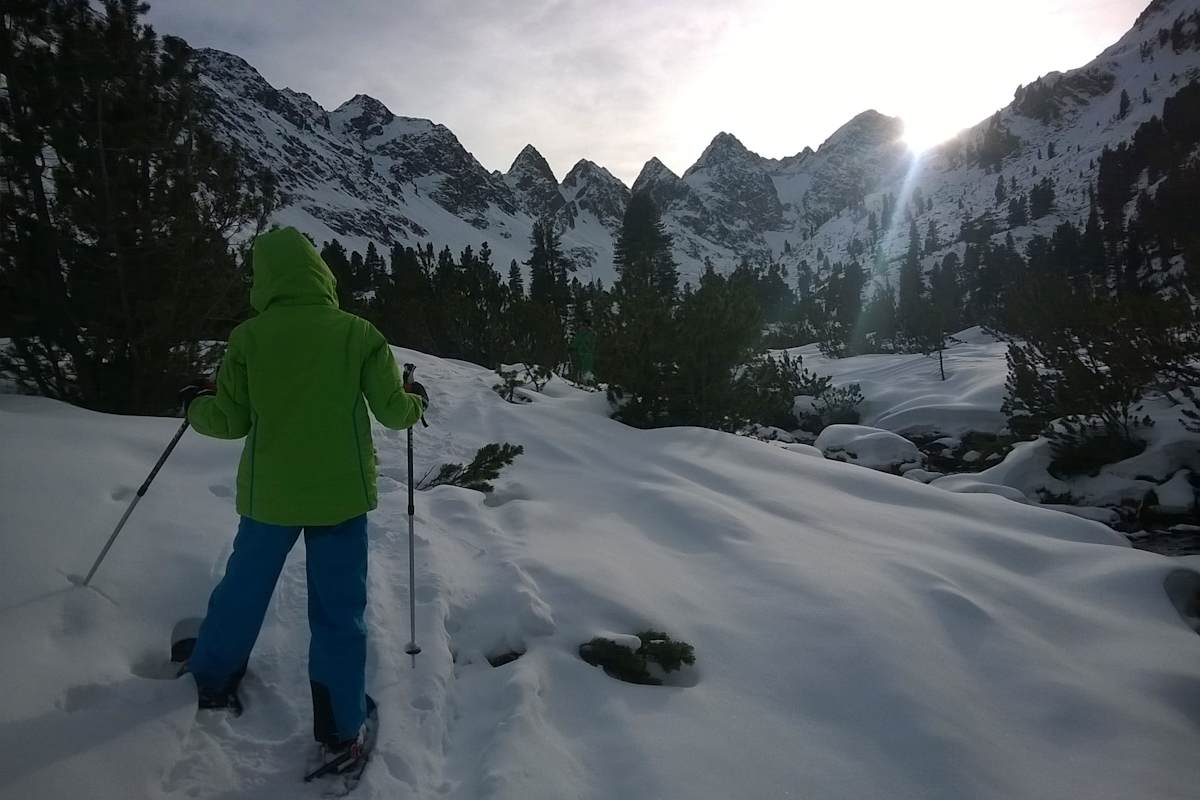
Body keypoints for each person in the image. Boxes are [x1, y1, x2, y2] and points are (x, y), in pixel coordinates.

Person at [180, 227, 426, 766]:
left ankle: (213, 677)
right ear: (320, 273)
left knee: (243, 588)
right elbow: (392, 412)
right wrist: (415, 402)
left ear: (263, 280)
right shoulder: (358, 334)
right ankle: (341, 729)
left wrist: (194, 407)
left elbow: (230, 420)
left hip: (270, 497)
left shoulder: (248, 338)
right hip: (340, 499)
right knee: (339, 610)